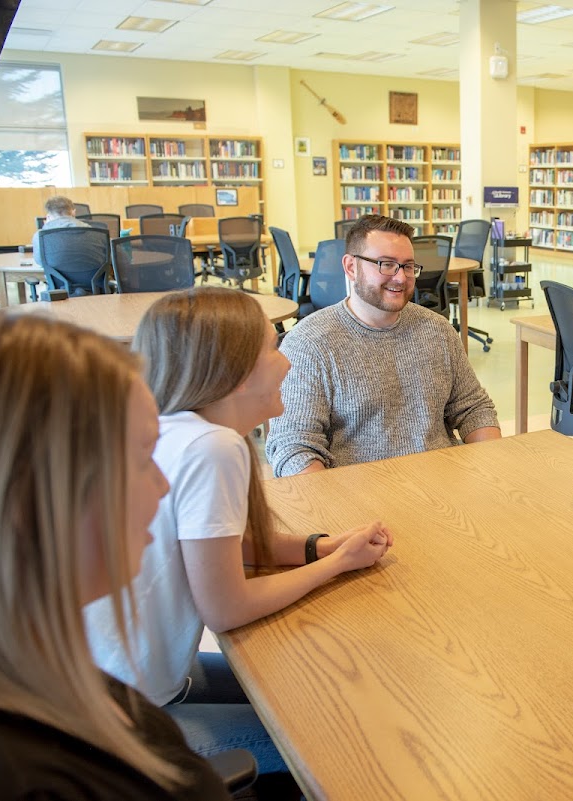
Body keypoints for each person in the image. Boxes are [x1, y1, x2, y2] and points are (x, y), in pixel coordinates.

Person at [85, 287, 394, 775]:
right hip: (122, 725)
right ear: (233, 373)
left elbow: (219, 539)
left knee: (293, 691)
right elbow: (227, 609)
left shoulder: (171, 429)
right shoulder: (213, 448)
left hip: (110, 685)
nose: (287, 364)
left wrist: (319, 547)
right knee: (337, 743)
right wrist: (337, 565)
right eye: (274, 348)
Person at [0, 313, 230, 799]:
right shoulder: (27, 780)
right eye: (141, 458)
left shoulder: (39, 671)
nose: (161, 484)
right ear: (34, 497)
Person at [266, 214, 500, 477]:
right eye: (386, 264)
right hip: (361, 502)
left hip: (443, 487)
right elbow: (294, 447)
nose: (400, 278)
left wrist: (490, 473)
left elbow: (473, 408)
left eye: (408, 266)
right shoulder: (309, 344)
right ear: (351, 267)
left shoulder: (438, 330)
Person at [31, 194, 106, 268]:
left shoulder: (40, 236)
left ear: (48, 216)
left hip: (56, 279)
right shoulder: (97, 233)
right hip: (92, 279)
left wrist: (47, 226)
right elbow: (105, 259)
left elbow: (40, 262)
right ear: (73, 212)